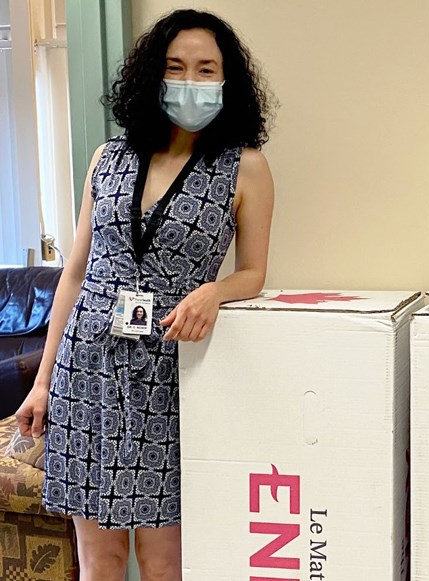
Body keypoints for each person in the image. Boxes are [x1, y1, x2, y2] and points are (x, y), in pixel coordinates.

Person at [15, 9, 275, 580]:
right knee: (99, 558)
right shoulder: (107, 160)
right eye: (175, 67)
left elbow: (253, 272)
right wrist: (42, 383)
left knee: (164, 562)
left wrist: (215, 291)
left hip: (173, 379)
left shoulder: (246, 169)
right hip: (88, 373)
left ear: (227, 82)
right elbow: (76, 273)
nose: (191, 80)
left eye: (206, 69)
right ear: (150, 78)